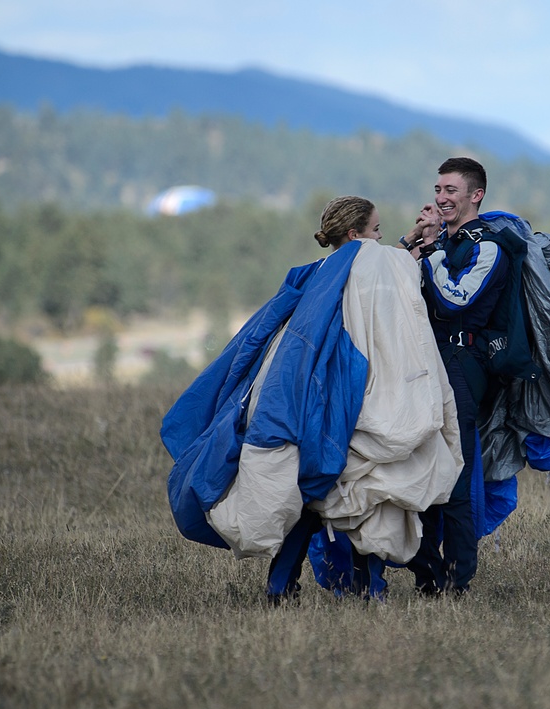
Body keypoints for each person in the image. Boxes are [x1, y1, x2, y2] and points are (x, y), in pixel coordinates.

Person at [162, 195, 461, 606]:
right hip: (355, 395)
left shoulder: (318, 274)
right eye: (375, 230)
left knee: (307, 500)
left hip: (307, 403)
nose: (379, 238)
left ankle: (280, 588)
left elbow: (384, 264)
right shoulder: (371, 264)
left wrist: (410, 239)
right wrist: (418, 244)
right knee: (368, 495)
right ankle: (370, 589)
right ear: (355, 235)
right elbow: (391, 274)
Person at [398, 157, 510, 596]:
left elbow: (455, 299)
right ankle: (427, 575)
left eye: (451, 191)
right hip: (430, 363)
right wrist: (419, 242)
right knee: (422, 467)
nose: (441, 198)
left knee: (455, 472)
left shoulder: (489, 247)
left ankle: (456, 579)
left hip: (463, 366)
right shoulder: (441, 243)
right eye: (438, 190)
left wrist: (435, 249)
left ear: (475, 195)